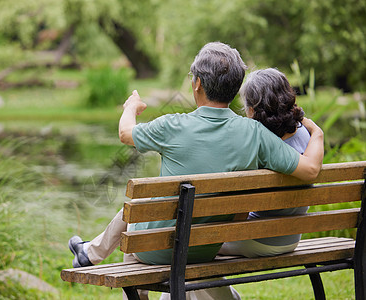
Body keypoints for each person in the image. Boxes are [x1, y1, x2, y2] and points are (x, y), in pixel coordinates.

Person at [68, 42, 324, 299]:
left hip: (157, 249)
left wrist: (131, 108)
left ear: (198, 83)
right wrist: (317, 133)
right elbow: (310, 169)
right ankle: (90, 252)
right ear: (235, 89)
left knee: (137, 218)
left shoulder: (173, 125)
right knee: (143, 214)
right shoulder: (256, 133)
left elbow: (125, 133)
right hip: (206, 247)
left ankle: (92, 253)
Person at [218, 68, 312, 258]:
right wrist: (319, 133)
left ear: (252, 110)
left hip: (257, 239)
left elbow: (240, 213)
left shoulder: (256, 146)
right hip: (291, 239)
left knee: (192, 248)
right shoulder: (305, 133)